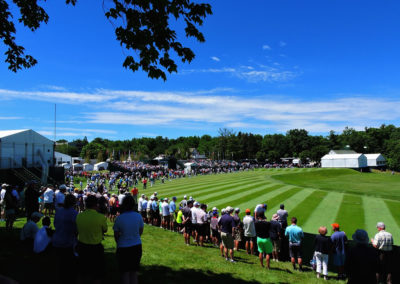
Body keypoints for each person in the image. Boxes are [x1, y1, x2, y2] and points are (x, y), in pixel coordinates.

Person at [76, 195, 108, 283]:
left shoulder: (79, 216)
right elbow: (105, 230)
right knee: (97, 273)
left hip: (82, 246)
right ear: (96, 205)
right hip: (95, 247)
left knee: (82, 272)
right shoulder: (101, 217)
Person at [113, 195, 144, 284]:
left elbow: (116, 235)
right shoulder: (138, 216)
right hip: (136, 245)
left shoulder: (119, 218)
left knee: (125, 273)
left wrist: (120, 242)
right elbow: (140, 231)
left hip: (123, 246)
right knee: (134, 273)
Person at [52, 194, 78, 284]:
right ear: (74, 202)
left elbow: (55, 224)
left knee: (60, 264)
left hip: (57, 239)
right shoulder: (74, 213)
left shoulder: (59, 211)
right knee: (68, 265)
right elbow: (76, 228)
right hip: (68, 241)